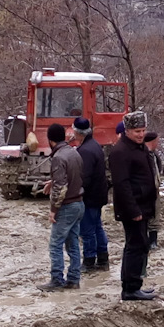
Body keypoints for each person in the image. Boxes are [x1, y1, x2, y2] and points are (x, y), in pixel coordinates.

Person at [107, 111, 158, 301]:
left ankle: (133, 285)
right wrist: (133, 210)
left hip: (143, 206)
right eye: (137, 131)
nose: (141, 134)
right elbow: (122, 185)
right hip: (134, 209)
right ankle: (130, 289)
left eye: (143, 130)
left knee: (138, 245)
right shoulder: (121, 152)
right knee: (136, 246)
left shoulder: (139, 148)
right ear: (127, 130)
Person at [42, 123, 85, 291]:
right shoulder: (74, 153)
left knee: (55, 244)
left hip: (66, 206)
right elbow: (73, 175)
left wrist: (53, 210)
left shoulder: (59, 157)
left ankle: (57, 280)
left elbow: (61, 188)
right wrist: (53, 182)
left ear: (50, 139)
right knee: (73, 243)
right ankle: (74, 279)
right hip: (79, 202)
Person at [75, 116, 110, 272]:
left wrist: (76, 192)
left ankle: (89, 261)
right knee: (97, 228)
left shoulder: (85, 151)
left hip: (89, 197)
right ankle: (103, 259)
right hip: (99, 194)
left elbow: (84, 177)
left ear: (78, 133)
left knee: (87, 230)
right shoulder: (95, 145)